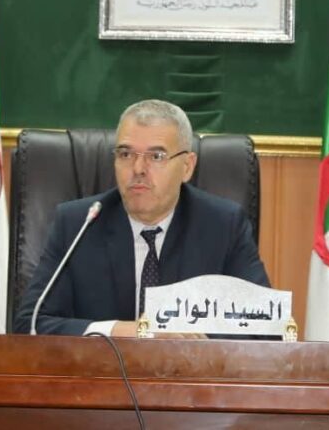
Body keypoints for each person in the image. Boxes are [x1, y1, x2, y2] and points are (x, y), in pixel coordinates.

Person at [14, 99, 270, 336]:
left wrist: (188, 344)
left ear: (187, 167)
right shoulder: (78, 225)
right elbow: (30, 324)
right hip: (100, 370)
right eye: (126, 154)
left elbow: (266, 329)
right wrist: (124, 332)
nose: (138, 169)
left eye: (156, 156)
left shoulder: (224, 226)